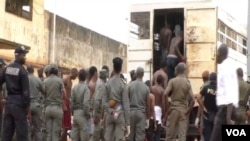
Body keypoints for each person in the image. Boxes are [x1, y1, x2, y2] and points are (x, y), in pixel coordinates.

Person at [0, 46, 31, 141]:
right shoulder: (22, 71)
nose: (25, 57)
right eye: (23, 55)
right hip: (19, 105)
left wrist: (2, 98)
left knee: (7, 134)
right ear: (17, 55)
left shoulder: (6, 69)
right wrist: (28, 110)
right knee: (22, 134)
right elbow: (26, 93)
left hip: (9, 104)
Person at [209, 44, 239, 141]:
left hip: (225, 111)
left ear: (221, 54)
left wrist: (228, 117)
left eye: (217, 53)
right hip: (225, 110)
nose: (216, 55)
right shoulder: (226, 67)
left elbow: (229, 92)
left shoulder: (225, 68)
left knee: (214, 138)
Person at [163, 62, 195, 141]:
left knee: (170, 136)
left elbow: (165, 94)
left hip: (173, 110)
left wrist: (167, 109)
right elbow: (193, 100)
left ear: (177, 70)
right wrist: (188, 112)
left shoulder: (172, 81)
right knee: (182, 137)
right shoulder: (188, 83)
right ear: (184, 71)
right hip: (183, 111)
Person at [102, 57, 130, 141]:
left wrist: (110, 110)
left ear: (113, 68)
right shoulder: (123, 84)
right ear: (121, 68)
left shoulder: (108, 83)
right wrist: (128, 123)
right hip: (119, 114)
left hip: (110, 114)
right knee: (119, 138)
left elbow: (103, 102)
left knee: (108, 138)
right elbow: (126, 104)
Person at [127, 67, 150, 141]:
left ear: (136, 74)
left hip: (131, 112)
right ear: (143, 75)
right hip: (141, 113)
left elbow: (126, 100)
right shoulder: (146, 88)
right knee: (140, 137)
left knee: (130, 135)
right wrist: (148, 118)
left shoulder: (130, 86)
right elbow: (148, 104)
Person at [44, 63, 65, 141]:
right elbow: (64, 94)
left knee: (48, 133)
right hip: (57, 108)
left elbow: (44, 93)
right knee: (55, 134)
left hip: (48, 108)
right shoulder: (59, 81)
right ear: (57, 71)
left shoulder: (45, 81)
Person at [70, 69, 90, 141]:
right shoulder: (86, 88)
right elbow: (86, 104)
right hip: (83, 115)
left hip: (75, 114)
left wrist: (73, 112)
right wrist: (88, 114)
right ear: (85, 77)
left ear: (78, 77)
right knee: (85, 137)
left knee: (75, 138)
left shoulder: (74, 88)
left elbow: (71, 101)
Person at [26, 64, 45, 141]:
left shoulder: (24, 79)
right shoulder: (38, 80)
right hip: (37, 106)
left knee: (28, 129)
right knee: (37, 130)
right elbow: (44, 91)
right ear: (33, 70)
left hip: (27, 107)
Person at [197, 72, 217, 141]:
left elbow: (198, 98)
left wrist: (203, 107)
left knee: (207, 136)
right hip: (216, 115)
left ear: (209, 79)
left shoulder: (206, 87)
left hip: (207, 115)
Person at [61, 68, 78, 141]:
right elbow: (61, 92)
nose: (76, 77)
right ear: (73, 73)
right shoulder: (65, 79)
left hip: (68, 103)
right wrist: (63, 104)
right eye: (76, 75)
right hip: (64, 103)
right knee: (64, 126)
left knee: (67, 126)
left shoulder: (70, 81)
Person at [93, 69, 108, 141]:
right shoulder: (101, 85)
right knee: (96, 135)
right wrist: (96, 115)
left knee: (103, 134)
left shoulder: (98, 83)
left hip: (99, 113)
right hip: (99, 114)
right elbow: (97, 101)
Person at [151, 75, 165, 141]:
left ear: (156, 80)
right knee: (158, 132)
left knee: (151, 131)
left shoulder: (152, 88)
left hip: (152, 109)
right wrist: (164, 115)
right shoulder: (162, 90)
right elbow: (163, 103)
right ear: (162, 82)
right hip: (159, 110)